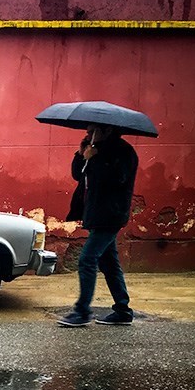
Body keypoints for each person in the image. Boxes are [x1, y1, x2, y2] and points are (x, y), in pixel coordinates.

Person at [57, 123, 138, 327]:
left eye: (93, 130)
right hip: (95, 213)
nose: (88, 133)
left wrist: (96, 159)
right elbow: (78, 174)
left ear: (107, 130)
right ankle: (123, 310)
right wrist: (80, 154)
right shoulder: (93, 149)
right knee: (109, 263)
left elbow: (118, 179)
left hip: (111, 215)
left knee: (87, 259)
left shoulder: (124, 152)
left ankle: (82, 312)